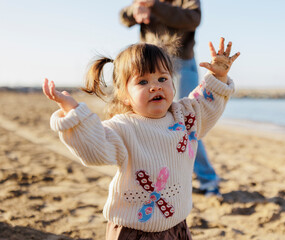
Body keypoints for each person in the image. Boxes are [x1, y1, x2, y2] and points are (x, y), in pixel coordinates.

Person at [43, 38, 239, 239]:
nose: (155, 87)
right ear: (124, 95)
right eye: (143, 82)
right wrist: (74, 113)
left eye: (163, 79)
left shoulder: (186, 117)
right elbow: (95, 149)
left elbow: (206, 103)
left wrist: (218, 75)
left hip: (176, 225)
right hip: (134, 230)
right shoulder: (123, 127)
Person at [120, 0, 222, 197]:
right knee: (150, 121)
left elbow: (193, 19)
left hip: (181, 63)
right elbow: (123, 18)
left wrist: (154, 6)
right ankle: (164, 178)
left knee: (187, 120)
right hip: (149, 66)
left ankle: (208, 179)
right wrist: (136, 9)